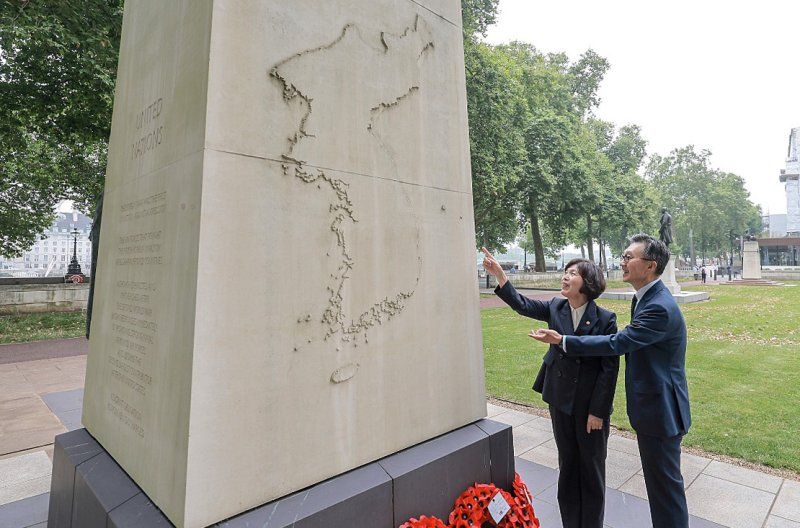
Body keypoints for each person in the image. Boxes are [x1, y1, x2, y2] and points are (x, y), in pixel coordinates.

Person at [530, 234, 691, 528]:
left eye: (629, 257)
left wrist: (564, 340)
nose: (622, 261)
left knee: (665, 492)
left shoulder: (658, 307)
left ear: (650, 265)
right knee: (661, 490)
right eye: (623, 255)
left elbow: (619, 343)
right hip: (653, 408)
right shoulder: (645, 297)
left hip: (661, 410)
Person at [482, 248, 618, 528]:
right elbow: (522, 304)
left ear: (588, 282)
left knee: (591, 470)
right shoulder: (556, 307)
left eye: (572, 273)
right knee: (568, 466)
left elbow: (609, 369)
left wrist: (598, 412)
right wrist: (500, 275)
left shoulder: (605, 319)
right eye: (565, 272)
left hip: (589, 408)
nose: (565, 277)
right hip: (560, 401)